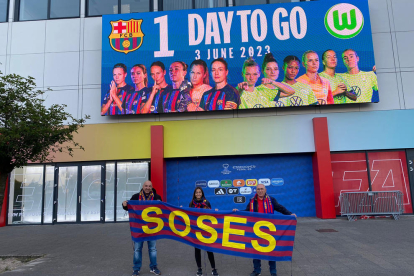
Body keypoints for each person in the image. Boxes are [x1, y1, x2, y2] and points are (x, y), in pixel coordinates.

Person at [233, 184, 296, 276]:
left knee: (271, 251)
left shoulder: (272, 200)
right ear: (256, 191)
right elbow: (247, 211)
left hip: (268, 230)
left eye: (262, 189)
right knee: (256, 251)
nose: (260, 191)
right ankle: (257, 270)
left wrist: (290, 214)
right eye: (258, 189)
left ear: (265, 190)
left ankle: (273, 271)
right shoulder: (252, 201)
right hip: (256, 230)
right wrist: (237, 212)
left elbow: (280, 208)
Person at [122, 180, 162, 276]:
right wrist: (124, 205)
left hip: (152, 228)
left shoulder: (157, 197)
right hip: (139, 228)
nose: (147, 188)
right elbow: (128, 207)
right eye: (146, 186)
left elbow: (162, 209)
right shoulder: (136, 197)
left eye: (149, 186)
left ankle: (153, 267)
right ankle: (136, 269)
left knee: (152, 249)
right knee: (137, 249)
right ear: (143, 186)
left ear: (152, 187)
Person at [189, 187, 219, 276]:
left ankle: (213, 269)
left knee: (209, 250)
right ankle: (199, 269)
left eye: (200, 192)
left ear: (202, 194)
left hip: (206, 230)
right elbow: (188, 215)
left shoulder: (206, 203)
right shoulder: (191, 204)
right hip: (196, 230)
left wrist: (215, 211)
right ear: (194, 194)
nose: (198, 194)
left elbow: (211, 215)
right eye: (197, 192)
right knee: (197, 250)